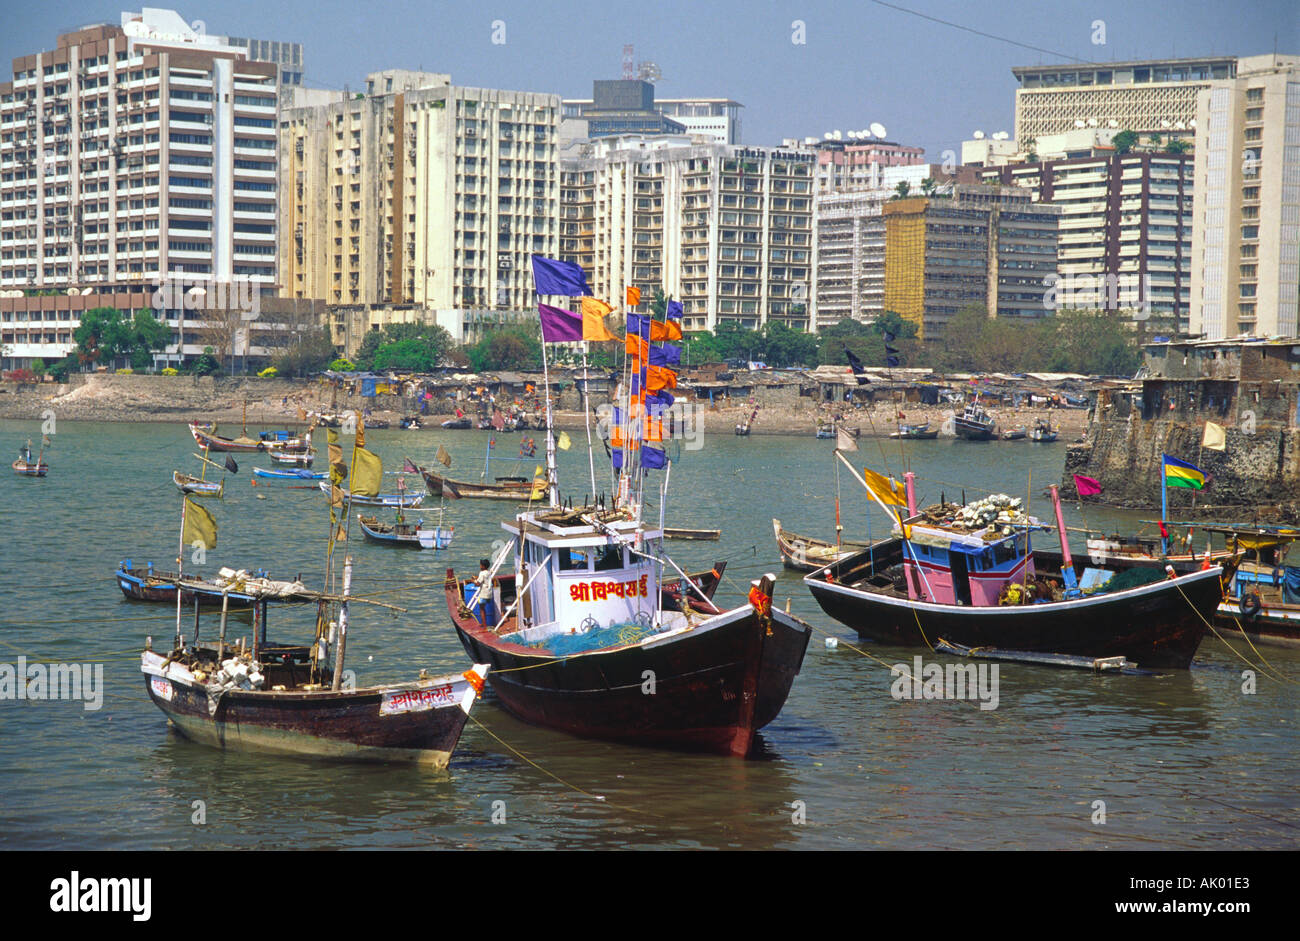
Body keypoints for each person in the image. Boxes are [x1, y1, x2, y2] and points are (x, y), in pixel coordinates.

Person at [472, 558, 497, 627]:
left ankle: (484, 624)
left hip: (483, 594)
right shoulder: (488, 572)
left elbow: (478, 584)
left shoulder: (481, 573)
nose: (480, 566)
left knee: (482, 609)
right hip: (489, 593)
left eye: (480, 565)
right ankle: (484, 623)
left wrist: (473, 581)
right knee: (484, 608)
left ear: (483, 566)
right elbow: (485, 579)